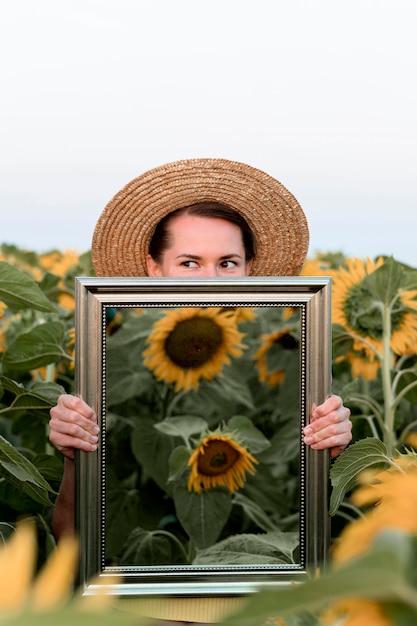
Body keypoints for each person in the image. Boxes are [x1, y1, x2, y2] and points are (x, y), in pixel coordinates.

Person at [49, 158, 352, 624]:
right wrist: (76, 458)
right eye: (189, 262)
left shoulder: (293, 362)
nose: (209, 279)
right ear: (154, 268)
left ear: (250, 269)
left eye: (227, 263)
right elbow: (71, 543)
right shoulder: (106, 358)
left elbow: (310, 527)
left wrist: (330, 459)